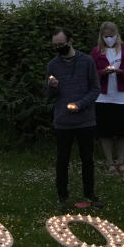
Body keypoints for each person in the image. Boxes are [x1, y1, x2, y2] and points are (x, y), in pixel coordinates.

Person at [45, 27, 102, 209]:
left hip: (85, 120)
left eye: (61, 44)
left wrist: (80, 104)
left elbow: (95, 88)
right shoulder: (52, 65)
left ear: (70, 41)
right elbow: (49, 95)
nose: (58, 47)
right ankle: (62, 195)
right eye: (55, 45)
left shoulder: (86, 61)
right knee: (62, 159)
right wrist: (52, 86)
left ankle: (90, 193)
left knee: (87, 158)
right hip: (63, 121)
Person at [90, 22, 124, 176]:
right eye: (106, 36)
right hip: (103, 97)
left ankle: (121, 161)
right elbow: (91, 73)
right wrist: (102, 72)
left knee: (123, 131)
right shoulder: (96, 52)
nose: (109, 38)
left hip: (123, 97)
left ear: (117, 34)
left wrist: (120, 72)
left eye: (112, 35)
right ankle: (110, 163)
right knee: (105, 132)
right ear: (102, 36)